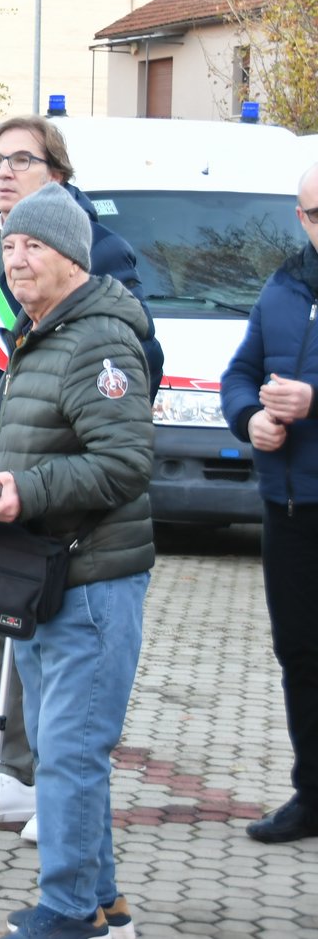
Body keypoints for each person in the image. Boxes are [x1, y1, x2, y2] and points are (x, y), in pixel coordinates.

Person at [0, 115, 163, 835]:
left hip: (63, 476)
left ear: (58, 175)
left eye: (21, 159)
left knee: (61, 641)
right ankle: (14, 771)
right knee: (1, 619)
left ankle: (59, 787)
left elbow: (129, 370)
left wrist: (54, 447)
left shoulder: (100, 251)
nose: (3, 171)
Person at [0, 182, 154, 939]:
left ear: (73, 257)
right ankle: (103, 901)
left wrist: (24, 491)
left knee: (72, 752)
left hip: (92, 580)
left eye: (33, 245)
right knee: (59, 750)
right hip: (44, 573)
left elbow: (125, 462)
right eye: (8, 245)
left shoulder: (97, 341)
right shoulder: (38, 332)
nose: (15, 259)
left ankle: (69, 912)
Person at [220, 160, 318, 845]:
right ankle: (311, 795)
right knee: (300, 654)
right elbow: (239, 373)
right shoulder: (283, 285)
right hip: (288, 507)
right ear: (300, 217)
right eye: (315, 214)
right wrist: (249, 417)